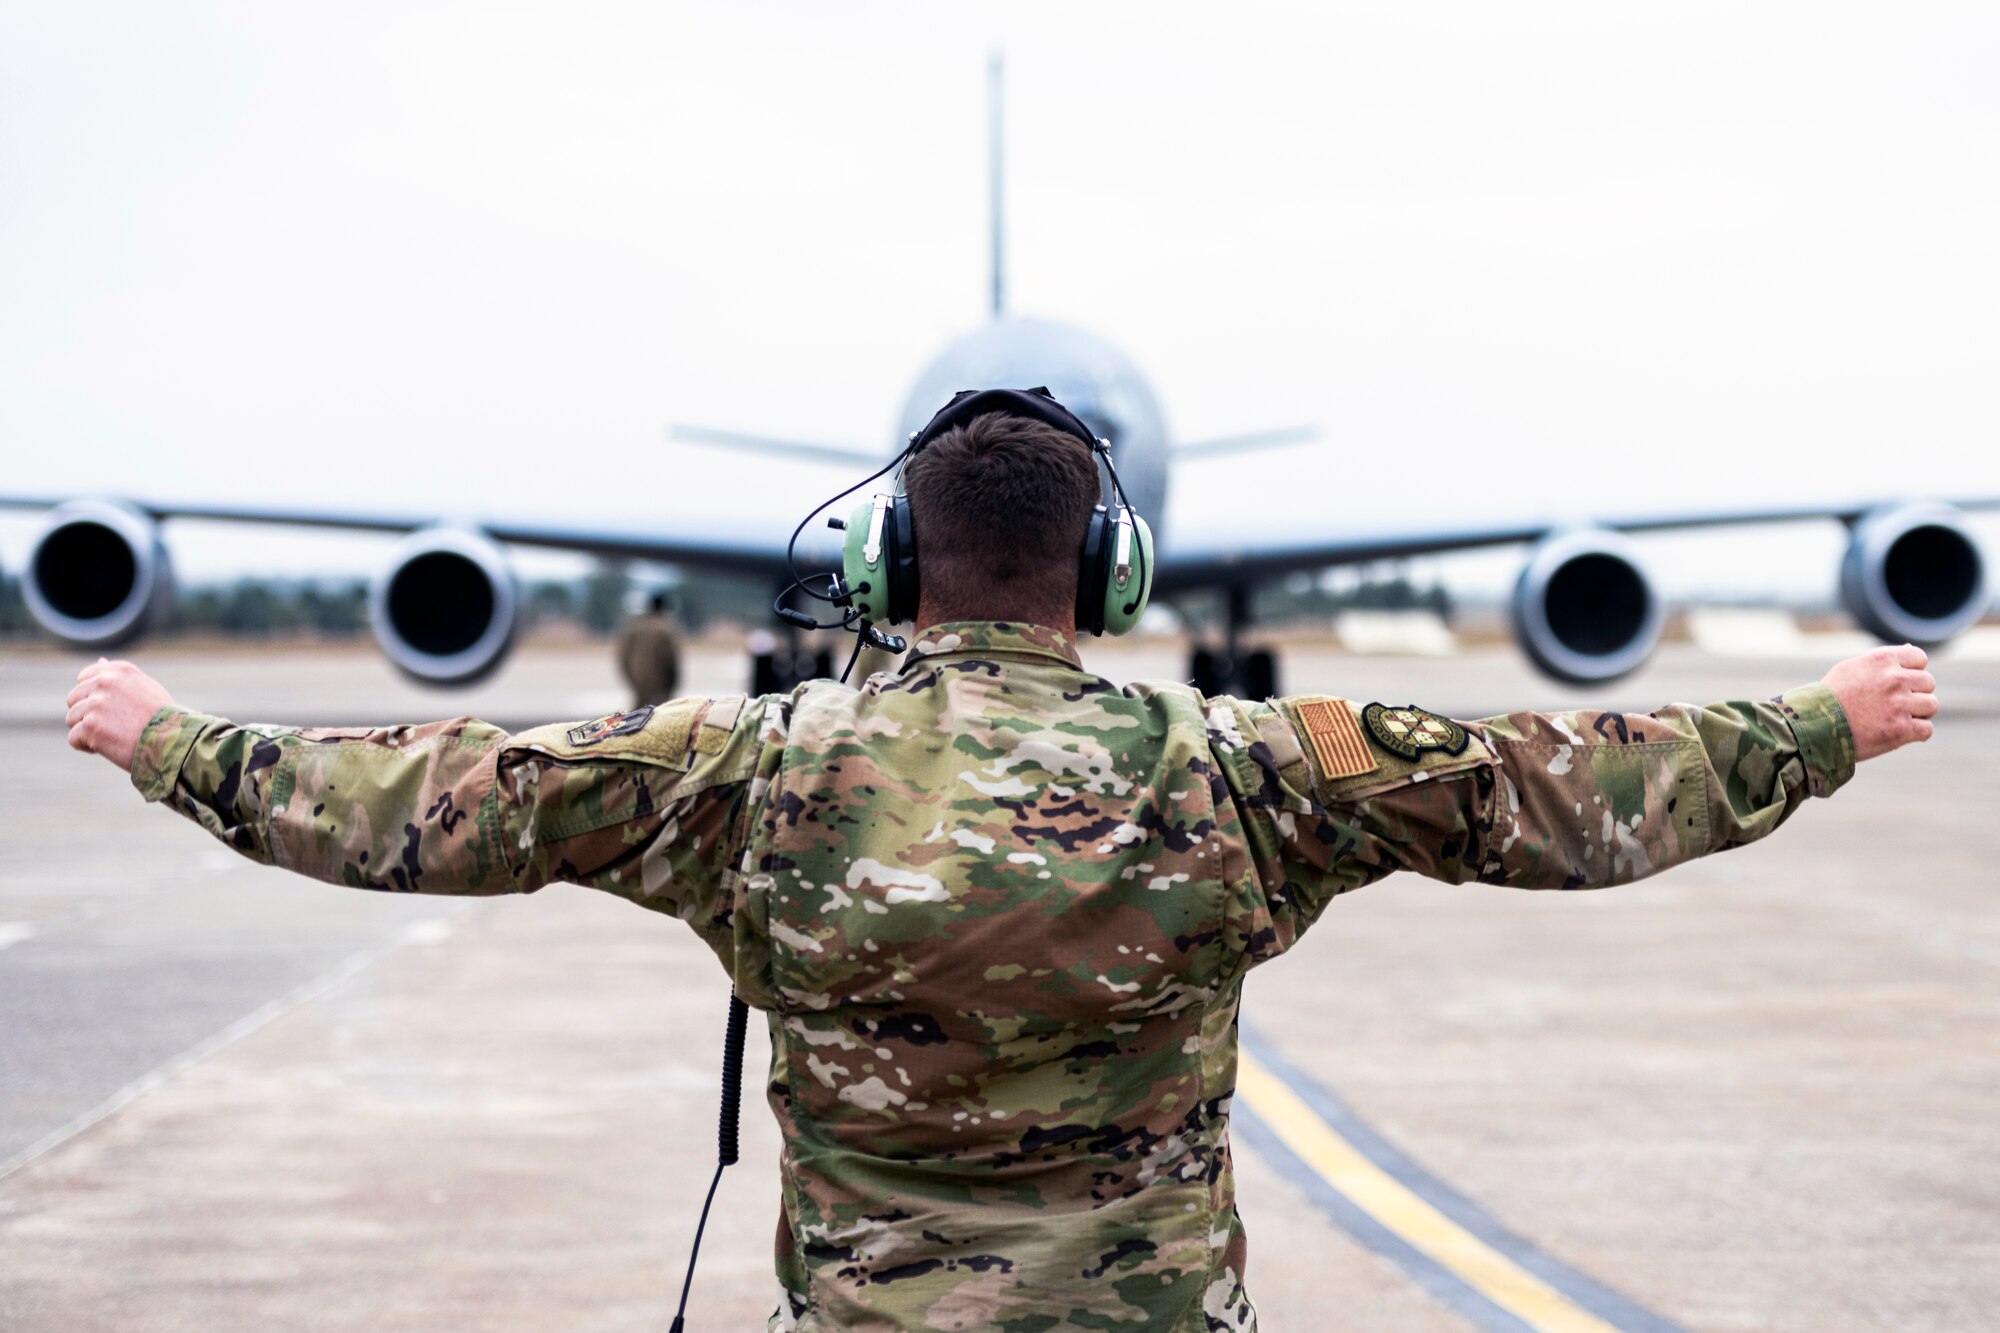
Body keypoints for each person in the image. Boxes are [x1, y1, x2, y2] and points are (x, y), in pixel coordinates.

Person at [64, 401, 1939, 1332]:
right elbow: (1571, 791)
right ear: (1111, 574)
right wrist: (1829, 718)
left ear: (886, 563)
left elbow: (430, 800)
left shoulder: (743, 771)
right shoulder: (1252, 768)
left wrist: (167, 740)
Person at [616, 588, 681, 707]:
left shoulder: (635, 627)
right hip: (660, 686)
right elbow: (670, 661)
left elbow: (623, 658)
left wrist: (633, 681)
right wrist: (671, 687)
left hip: (638, 683)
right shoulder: (665, 630)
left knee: (637, 718)